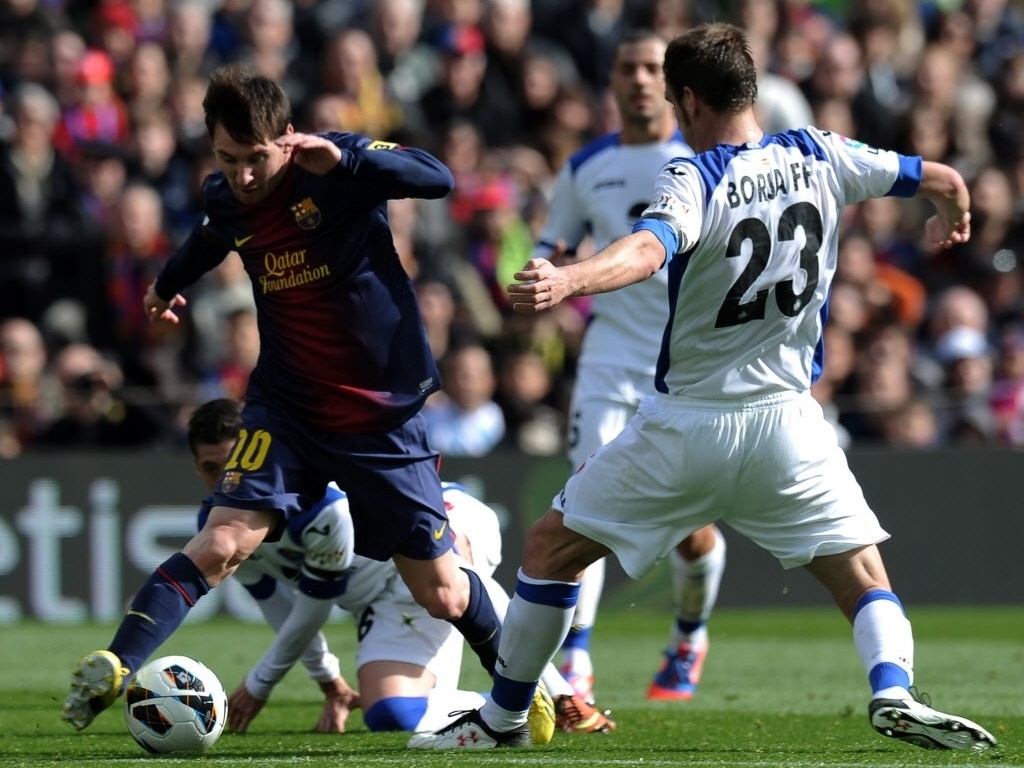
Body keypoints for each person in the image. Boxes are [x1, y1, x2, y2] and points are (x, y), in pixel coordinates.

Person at [410, 23, 998, 751]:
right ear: (750, 86)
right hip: (790, 424)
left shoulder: (697, 175)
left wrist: (569, 278)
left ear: (686, 98)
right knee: (862, 574)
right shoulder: (821, 152)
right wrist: (955, 206)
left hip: (689, 422)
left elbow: (646, 249)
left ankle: (500, 721)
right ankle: (893, 689)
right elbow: (934, 175)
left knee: (550, 550)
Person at [61, 63, 515, 736]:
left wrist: (351, 156)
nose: (243, 174)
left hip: (376, 412)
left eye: (255, 159)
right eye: (227, 158)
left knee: (443, 592)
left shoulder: (336, 170)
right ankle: (118, 663)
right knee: (220, 542)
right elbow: (213, 235)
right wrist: (167, 283)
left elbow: (439, 178)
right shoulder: (227, 195)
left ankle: (522, 688)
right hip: (286, 405)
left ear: (288, 138)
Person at [184, 398, 614, 736]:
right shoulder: (223, 528)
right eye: (209, 469)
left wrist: (260, 683)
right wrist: (331, 681)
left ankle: (559, 694)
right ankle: (506, 705)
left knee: (451, 566)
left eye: (233, 462)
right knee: (390, 713)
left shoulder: (312, 499)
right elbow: (287, 614)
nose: (227, 479)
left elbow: (315, 605)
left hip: (440, 520)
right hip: (384, 597)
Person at [533, 28, 727, 705]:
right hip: (608, 362)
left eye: (653, 68)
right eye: (628, 68)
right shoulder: (586, 166)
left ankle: (687, 637)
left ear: (674, 86)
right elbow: (549, 245)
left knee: (691, 532)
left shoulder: (704, 161)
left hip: (686, 366)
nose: (640, 79)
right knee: (583, 506)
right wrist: (537, 275)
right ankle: (578, 658)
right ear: (612, 81)